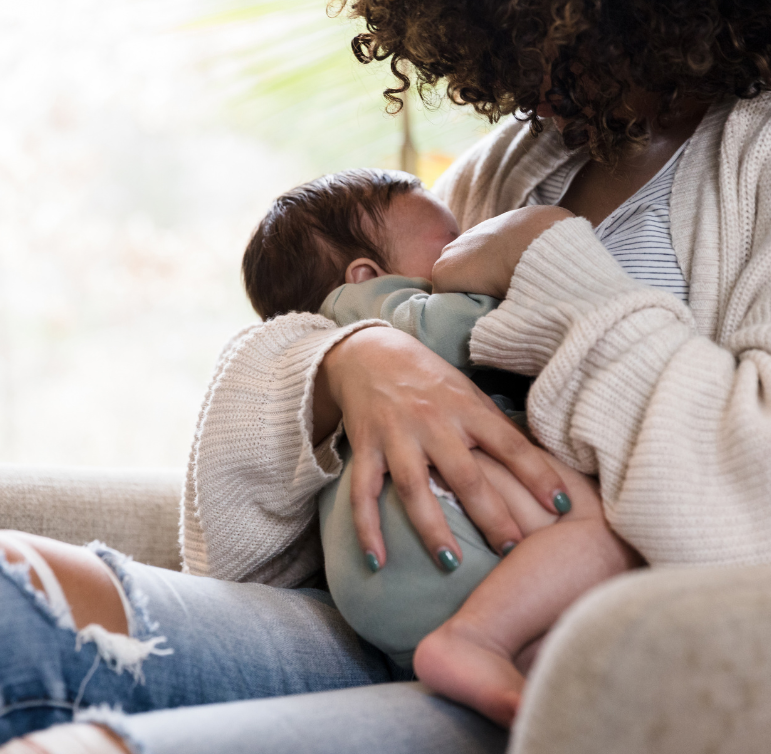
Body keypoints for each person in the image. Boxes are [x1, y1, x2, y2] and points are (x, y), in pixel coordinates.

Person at [2, 0, 771, 752]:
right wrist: (352, 363)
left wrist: (548, 268)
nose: (513, 84)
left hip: (596, 676)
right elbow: (241, 538)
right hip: (397, 624)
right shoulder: (535, 152)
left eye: (541, 39)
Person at [237, 167, 638, 724]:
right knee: (606, 532)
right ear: (365, 274)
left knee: (550, 672)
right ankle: (474, 639)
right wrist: (521, 260)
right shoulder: (375, 310)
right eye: (451, 244)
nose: (465, 249)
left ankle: (485, 657)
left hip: (376, 578)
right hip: (426, 528)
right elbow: (464, 329)